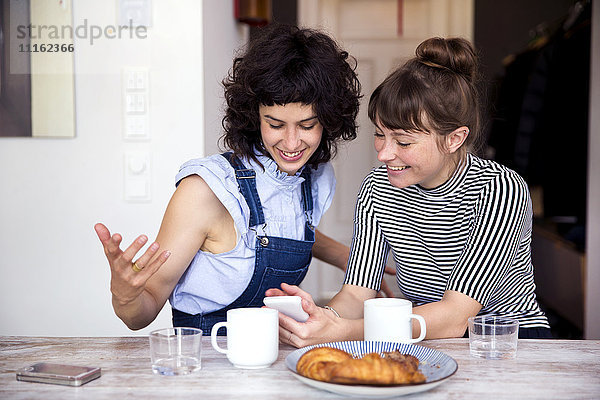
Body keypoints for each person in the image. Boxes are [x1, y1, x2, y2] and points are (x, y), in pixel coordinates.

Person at [267, 36, 552, 346]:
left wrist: (344, 331)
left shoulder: (500, 189)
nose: (384, 154)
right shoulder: (378, 187)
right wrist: (320, 319)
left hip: (508, 343)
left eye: (403, 142)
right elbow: (356, 294)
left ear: (454, 139)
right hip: (419, 334)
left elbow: (457, 317)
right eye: (379, 135)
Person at [94, 24, 370, 335]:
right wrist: (125, 295)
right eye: (276, 124)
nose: (292, 144)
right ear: (254, 115)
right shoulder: (205, 191)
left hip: (275, 365)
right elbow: (140, 314)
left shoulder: (310, 180)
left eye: (307, 125)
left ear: (330, 121)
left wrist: (350, 258)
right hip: (206, 369)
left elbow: (284, 223)